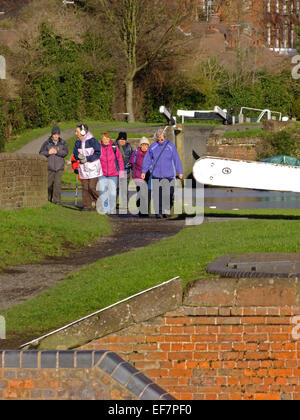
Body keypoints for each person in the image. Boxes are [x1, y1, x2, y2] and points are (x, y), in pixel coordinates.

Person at [141, 128, 183, 218]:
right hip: (156, 174)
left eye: (162, 139)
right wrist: (144, 171)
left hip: (169, 175)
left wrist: (180, 171)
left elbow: (176, 159)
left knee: (169, 194)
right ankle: (159, 212)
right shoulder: (153, 147)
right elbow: (147, 159)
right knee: (158, 195)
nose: (160, 141)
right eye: (158, 139)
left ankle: (166, 209)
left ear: (165, 137)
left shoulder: (171, 146)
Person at [73, 124, 102, 211]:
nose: (75, 133)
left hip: (93, 168)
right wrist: (79, 157)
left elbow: (98, 153)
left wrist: (87, 158)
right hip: (83, 168)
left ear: (82, 132)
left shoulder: (92, 141)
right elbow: (75, 153)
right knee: (85, 187)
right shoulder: (77, 142)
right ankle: (87, 206)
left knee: (91, 187)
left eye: (77, 131)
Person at [39, 126, 68, 205]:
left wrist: (56, 152)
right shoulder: (46, 143)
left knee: (57, 185)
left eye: (57, 134)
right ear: (52, 134)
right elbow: (41, 153)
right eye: (54, 134)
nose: (56, 136)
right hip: (50, 167)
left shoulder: (63, 142)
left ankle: (57, 201)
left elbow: (65, 153)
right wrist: (48, 152)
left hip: (59, 167)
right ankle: (48, 199)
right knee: (48, 185)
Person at [98, 132, 125, 215]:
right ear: (101, 139)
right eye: (104, 138)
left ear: (109, 139)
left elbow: (120, 160)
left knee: (113, 193)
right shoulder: (98, 148)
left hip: (113, 174)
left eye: (107, 138)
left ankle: (112, 209)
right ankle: (106, 209)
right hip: (102, 174)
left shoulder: (114, 147)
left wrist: (121, 172)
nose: (106, 140)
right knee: (103, 192)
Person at [129, 136, 151, 217]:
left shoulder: (151, 153)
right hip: (138, 176)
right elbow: (131, 162)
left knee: (147, 194)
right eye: (143, 145)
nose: (144, 147)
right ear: (140, 145)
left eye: (146, 145)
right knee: (141, 193)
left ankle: (145, 211)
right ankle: (140, 207)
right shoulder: (136, 153)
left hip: (148, 175)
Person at [114, 132, 133, 209]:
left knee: (124, 188)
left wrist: (130, 165)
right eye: (120, 139)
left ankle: (124, 204)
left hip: (125, 171)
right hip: (116, 171)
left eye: (123, 139)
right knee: (116, 188)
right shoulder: (114, 147)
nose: (122, 141)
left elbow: (132, 157)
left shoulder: (129, 147)